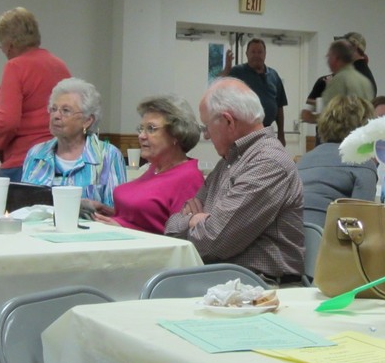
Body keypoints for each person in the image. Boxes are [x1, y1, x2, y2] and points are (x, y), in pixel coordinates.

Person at [163, 78, 304, 285]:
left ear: (228, 121)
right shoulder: (230, 161)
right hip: (225, 282)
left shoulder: (268, 163)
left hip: (262, 289)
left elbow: (213, 242)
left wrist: (199, 221)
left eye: (207, 126)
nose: (207, 135)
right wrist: (192, 220)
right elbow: (171, 227)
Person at [91, 95, 203, 234]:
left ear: (176, 134)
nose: (141, 136)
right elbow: (145, 218)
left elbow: (179, 237)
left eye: (151, 129)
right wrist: (104, 210)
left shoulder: (188, 177)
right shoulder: (155, 169)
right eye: (141, 129)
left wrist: (125, 230)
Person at [0, 8, 70, 181]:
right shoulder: (60, 65)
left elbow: (8, 122)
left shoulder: (15, 67)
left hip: (23, 162)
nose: (2, 50)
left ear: (9, 44)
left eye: (0, 44)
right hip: (58, 161)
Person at [20, 77, 126, 205]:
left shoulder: (108, 156)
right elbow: (24, 207)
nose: (56, 116)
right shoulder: (36, 154)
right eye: (53, 109)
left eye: (65, 111)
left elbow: (117, 213)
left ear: (87, 120)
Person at [298, 95, 377, 226]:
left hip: (290, 236)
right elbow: (362, 220)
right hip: (328, 239)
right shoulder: (362, 163)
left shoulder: (304, 160)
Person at [222, 38, 288, 145]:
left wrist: (281, 133)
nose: (256, 55)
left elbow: (279, 106)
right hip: (244, 132)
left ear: (265, 54)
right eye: (253, 52)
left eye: (260, 52)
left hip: (266, 132)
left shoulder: (274, 75)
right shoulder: (238, 72)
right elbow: (219, 87)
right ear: (247, 54)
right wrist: (227, 69)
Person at [322, 39, 374, 103]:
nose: (327, 61)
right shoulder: (364, 80)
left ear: (336, 58)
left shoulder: (338, 80)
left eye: (328, 56)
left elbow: (331, 109)